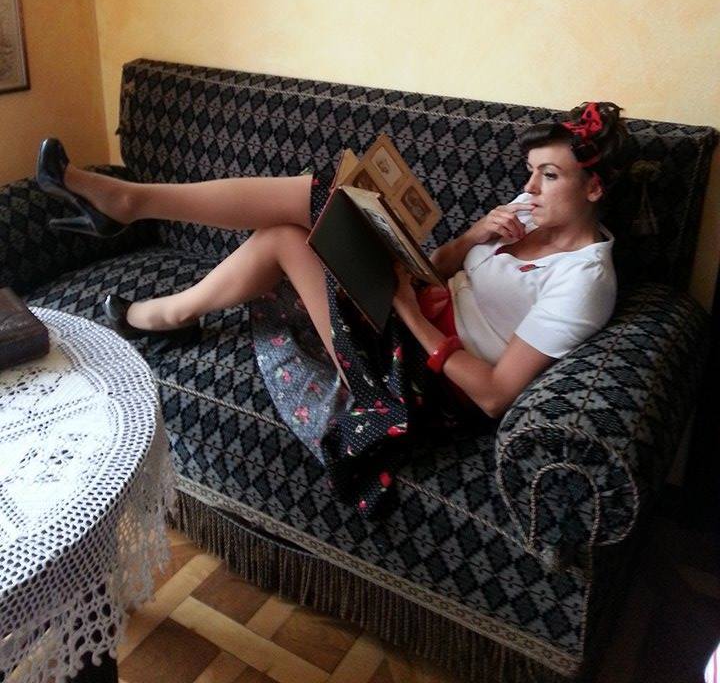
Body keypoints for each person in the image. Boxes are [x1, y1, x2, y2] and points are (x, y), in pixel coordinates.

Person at [36, 100, 626, 511]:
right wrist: (473, 237)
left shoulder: (585, 280)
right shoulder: (528, 215)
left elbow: (495, 395)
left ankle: (132, 212)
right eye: (530, 173)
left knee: (318, 196)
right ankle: (162, 314)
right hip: (406, 314)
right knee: (288, 234)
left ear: (595, 188)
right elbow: (441, 267)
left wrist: (410, 313)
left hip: (418, 385)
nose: (529, 189)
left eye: (549, 176)